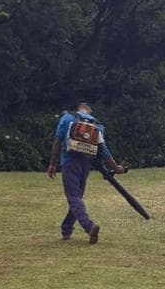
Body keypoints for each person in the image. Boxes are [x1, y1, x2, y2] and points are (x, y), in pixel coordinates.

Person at [47, 102, 125, 244]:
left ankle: (89, 226)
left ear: (79, 108)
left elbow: (57, 142)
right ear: (89, 110)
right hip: (85, 164)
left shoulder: (67, 118)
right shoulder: (97, 124)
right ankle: (67, 229)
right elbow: (104, 151)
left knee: (74, 197)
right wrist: (116, 167)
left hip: (70, 162)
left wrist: (53, 163)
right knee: (77, 198)